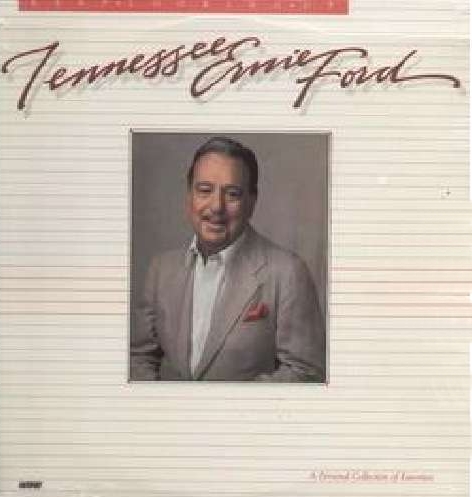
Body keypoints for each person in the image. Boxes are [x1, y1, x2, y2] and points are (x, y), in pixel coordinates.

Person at [130, 136, 325, 382]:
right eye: (204, 190)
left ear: (251, 202)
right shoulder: (161, 270)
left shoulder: (288, 273)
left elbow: (306, 372)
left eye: (232, 194)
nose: (216, 206)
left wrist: (226, 403)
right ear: (189, 196)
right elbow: (138, 358)